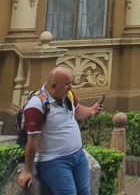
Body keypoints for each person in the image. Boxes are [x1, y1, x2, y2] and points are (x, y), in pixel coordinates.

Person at [16, 66, 103, 195]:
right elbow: (32, 141)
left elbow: (77, 111)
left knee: (84, 192)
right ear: (54, 86)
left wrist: (91, 110)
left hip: (78, 156)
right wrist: (27, 170)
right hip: (54, 160)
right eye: (67, 84)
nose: (71, 87)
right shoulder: (36, 105)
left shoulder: (67, 94)